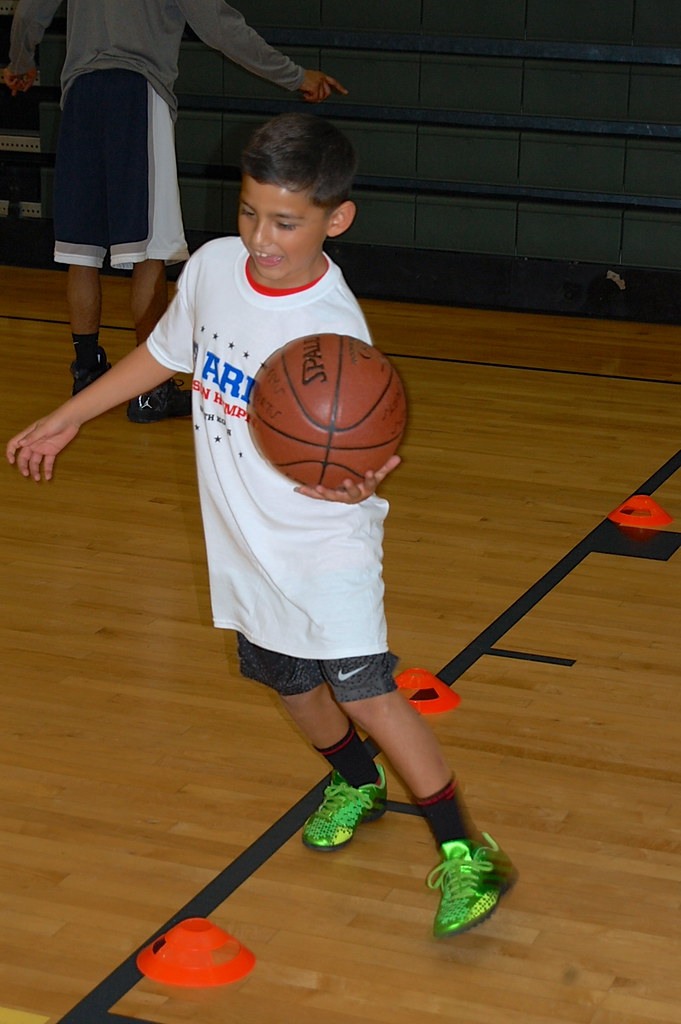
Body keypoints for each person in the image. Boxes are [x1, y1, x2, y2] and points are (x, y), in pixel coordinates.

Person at [6, 113, 516, 938]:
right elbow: (166, 354)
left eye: (285, 222)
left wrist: (351, 484)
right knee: (287, 683)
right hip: (243, 537)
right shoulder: (214, 265)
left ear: (335, 219)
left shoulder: (331, 328)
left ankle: (468, 851)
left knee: (366, 693)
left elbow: (354, 441)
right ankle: (356, 783)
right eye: (249, 212)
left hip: (323, 542)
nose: (260, 238)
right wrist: (70, 416)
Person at [3, 0, 347, 423]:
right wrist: (296, 76)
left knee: (82, 252)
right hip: (137, 93)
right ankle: (151, 392)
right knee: (151, 250)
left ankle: (86, 372)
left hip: (79, 97)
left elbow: (29, 11)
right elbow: (219, 26)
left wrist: (20, 61)